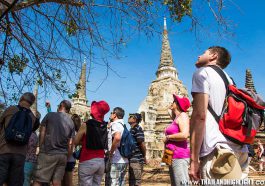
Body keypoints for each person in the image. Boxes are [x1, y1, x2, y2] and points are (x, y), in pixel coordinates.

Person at [189, 46, 249, 181]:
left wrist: (193, 160)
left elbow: (200, 116)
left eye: (203, 52)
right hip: (239, 149)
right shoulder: (230, 80)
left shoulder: (202, 73)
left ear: (213, 55)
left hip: (217, 151)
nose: (199, 55)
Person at [0, 92, 39, 186]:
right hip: (20, 154)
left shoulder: (10, 109)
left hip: (4, 150)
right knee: (15, 182)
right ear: (32, 103)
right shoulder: (32, 117)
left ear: (21, 98)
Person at [33, 100, 75, 186]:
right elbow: (71, 143)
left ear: (61, 105)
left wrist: (41, 148)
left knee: (38, 180)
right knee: (57, 181)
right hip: (62, 155)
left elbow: (42, 132)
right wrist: (67, 156)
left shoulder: (50, 115)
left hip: (48, 153)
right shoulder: (71, 122)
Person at [74, 100, 110, 186]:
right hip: (101, 162)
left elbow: (75, 141)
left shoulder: (86, 125)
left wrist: (82, 142)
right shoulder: (105, 126)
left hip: (87, 161)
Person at [163, 94, 190, 186]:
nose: (172, 102)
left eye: (174, 101)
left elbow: (185, 134)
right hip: (171, 155)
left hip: (179, 156)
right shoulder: (176, 118)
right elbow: (168, 110)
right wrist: (172, 106)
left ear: (178, 104)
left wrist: (168, 137)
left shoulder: (183, 116)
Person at [105, 107, 128, 186]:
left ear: (115, 114)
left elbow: (117, 137)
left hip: (116, 160)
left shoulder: (115, 124)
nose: (110, 114)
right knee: (121, 183)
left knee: (113, 183)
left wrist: (111, 152)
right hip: (124, 160)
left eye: (111, 113)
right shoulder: (123, 125)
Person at [62, 114, 82, 186]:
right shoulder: (78, 132)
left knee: (65, 182)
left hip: (66, 158)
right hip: (71, 159)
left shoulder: (69, 131)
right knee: (67, 182)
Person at [128, 113, 146, 186]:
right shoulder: (131, 129)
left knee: (136, 182)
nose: (128, 118)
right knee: (132, 182)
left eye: (130, 117)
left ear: (135, 119)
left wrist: (144, 156)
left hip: (137, 159)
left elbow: (141, 143)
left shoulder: (138, 128)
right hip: (131, 159)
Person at [23, 111, 41, 186]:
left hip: (27, 161)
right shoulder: (35, 135)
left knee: (25, 181)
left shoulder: (27, 134)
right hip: (33, 161)